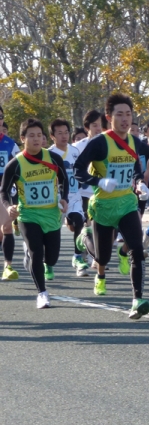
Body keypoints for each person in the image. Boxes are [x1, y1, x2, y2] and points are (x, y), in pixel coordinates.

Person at [73, 94, 149, 318]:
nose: (125, 119)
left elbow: (136, 166)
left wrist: (139, 182)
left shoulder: (135, 141)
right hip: (104, 206)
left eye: (128, 114)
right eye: (120, 114)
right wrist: (98, 181)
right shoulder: (99, 143)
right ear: (109, 117)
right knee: (102, 258)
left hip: (126, 203)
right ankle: (84, 238)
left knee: (137, 249)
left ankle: (137, 300)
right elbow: (78, 170)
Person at [0, 118, 68, 309]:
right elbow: (4, 191)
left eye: (39, 135)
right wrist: (8, 207)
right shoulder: (15, 164)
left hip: (52, 214)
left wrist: (64, 198)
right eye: (31, 136)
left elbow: (64, 180)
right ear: (23, 139)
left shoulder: (54, 159)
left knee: (51, 258)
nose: (36, 139)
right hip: (28, 215)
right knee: (37, 253)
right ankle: (42, 293)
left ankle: (32, 257)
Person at [48, 118, 90, 277]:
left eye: (66, 132)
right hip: (55, 199)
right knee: (52, 233)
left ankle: (77, 257)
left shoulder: (75, 151)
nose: (64, 136)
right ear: (52, 136)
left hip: (73, 196)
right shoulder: (49, 154)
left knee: (79, 221)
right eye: (59, 133)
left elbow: (80, 171)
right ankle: (47, 262)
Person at [0, 106, 20, 280]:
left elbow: (20, 166)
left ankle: (8, 266)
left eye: (0, 117)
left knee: (6, 226)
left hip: (3, 190)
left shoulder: (10, 144)